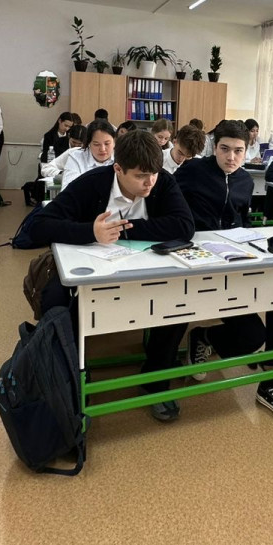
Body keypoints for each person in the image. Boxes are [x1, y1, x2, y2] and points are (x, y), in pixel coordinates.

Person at [27, 129, 195, 422]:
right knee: (59, 305)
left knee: (176, 302)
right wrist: (90, 232)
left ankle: (156, 379)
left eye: (153, 174)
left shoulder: (162, 181)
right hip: (90, 272)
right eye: (140, 176)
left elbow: (184, 226)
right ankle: (75, 378)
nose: (149, 182)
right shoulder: (92, 183)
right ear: (118, 169)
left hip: (143, 270)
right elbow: (38, 225)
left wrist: (122, 230)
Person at [174, 120, 273, 426]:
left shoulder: (245, 180)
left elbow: (242, 221)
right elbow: (169, 209)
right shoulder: (192, 172)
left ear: (246, 151)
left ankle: (265, 376)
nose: (231, 157)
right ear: (214, 146)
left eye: (238, 151)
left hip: (234, 265)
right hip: (193, 264)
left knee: (261, 327)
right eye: (224, 149)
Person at [61, 120, 116, 189]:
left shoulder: (122, 158)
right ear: (88, 144)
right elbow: (67, 190)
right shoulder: (76, 157)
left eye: (107, 143)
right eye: (96, 144)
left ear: (114, 142)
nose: (102, 149)